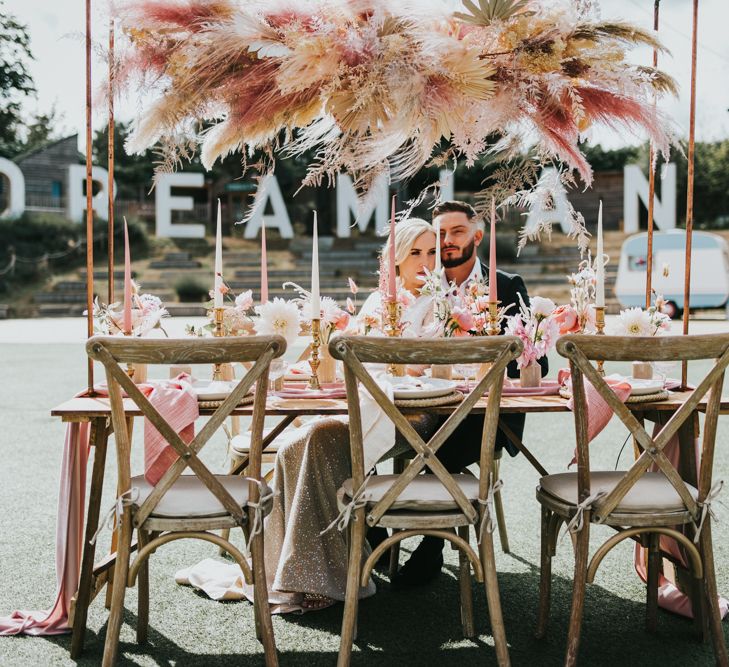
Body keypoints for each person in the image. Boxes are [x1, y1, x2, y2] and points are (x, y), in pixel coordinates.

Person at [259, 218, 438, 611]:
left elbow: (433, 370)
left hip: (419, 416)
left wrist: (402, 365)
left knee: (320, 435)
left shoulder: (444, 303)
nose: (426, 262)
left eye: (432, 252)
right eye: (416, 253)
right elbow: (350, 363)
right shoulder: (377, 302)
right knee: (295, 442)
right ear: (396, 259)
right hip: (370, 405)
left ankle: (326, 578)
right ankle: (291, 573)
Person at [391, 200, 548, 590]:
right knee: (391, 428)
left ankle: (432, 543)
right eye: (440, 232)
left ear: (477, 236)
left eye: (456, 231)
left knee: (436, 439)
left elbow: (535, 362)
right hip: (426, 408)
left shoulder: (507, 286)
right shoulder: (424, 285)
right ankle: (381, 528)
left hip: (482, 418)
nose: (446, 241)